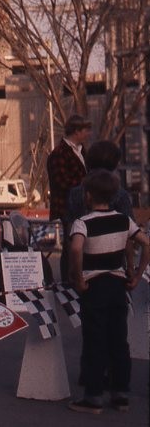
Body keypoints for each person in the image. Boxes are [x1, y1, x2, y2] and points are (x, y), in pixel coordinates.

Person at [66, 169, 150, 414]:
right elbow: (145, 243)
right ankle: (120, 393)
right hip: (117, 286)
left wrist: (78, 278)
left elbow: (76, 249)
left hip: (95, 287)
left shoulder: (82, 223)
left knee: (95, 341)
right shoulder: (124, 220)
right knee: (118, 341)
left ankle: (93, 397)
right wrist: (135, 274)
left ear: (88, 196)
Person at [64, 139, 133, 225]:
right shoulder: (119, 194)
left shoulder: (74, 193)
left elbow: (70, 226)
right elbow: (129, 226)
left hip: (82, 237)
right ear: (113, 164)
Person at [47, 113, 92, 232]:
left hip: (82, 207)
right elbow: (62, 183)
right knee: (71, 245)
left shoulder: (82, 151)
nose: (88, 134)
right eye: (85, 131)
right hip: (69, 209)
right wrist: (87, 184)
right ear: (77, 131)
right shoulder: (59, 153)